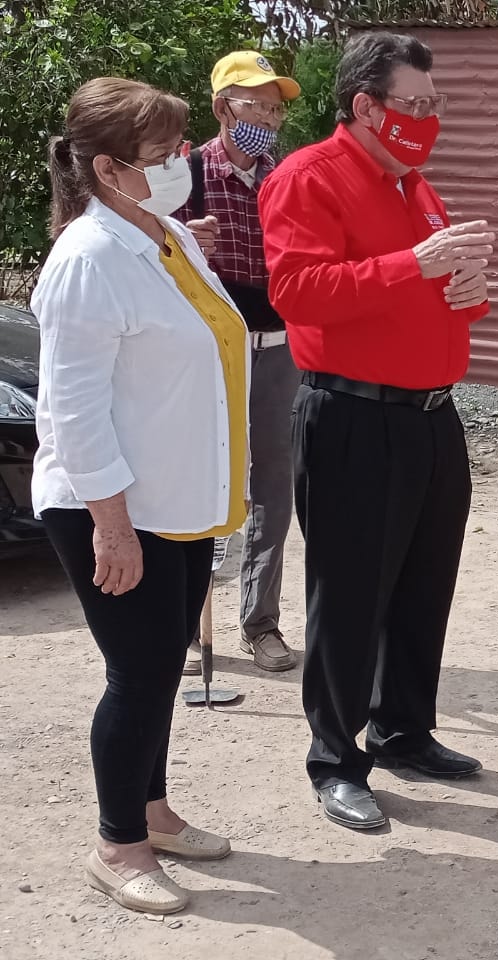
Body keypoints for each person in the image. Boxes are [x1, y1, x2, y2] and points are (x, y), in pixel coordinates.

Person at [258, 31, 495, 831]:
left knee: (424, 584)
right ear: (365, 105)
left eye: (435, 104)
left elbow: (444, 296)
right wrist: (415, 266)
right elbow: (298, 291)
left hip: (431, 416)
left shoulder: (415, 186)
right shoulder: (309, 178)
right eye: (414, 104)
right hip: (353, 415)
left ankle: (403, 731)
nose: (429, 118)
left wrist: (468, 286)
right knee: (351, 594)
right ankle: (336, 759)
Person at [32, 77, 250, 914]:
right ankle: (117, 844)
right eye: (162, 154)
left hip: (176, 496)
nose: (179, 165)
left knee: (160, 665)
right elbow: (73, 410)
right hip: (113, 505)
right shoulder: (88, 259)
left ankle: (153, 812)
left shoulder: (166, 236)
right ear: (108, 167)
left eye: (179, 149)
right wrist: (112, 527)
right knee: (140, 671)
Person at [176, 51, 303, 675]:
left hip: (280, 348)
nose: (269, 119)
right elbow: (148, 258)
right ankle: (184, 623)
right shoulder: (184, 175)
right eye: (257, 105)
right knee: (202, 480)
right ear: (223, 108)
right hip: (212, 353)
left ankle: (261, 623)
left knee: (274, 485)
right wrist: (181, 241)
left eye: (276, 109)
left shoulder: (287, 177)